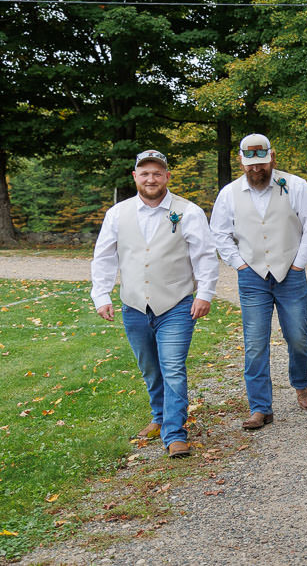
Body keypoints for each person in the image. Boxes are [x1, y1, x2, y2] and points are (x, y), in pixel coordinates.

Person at [90, 150, 219, 458]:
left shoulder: (188, 211)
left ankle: (175, 434)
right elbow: (105, 256)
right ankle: (159, 417)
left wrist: (205, 294)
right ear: (135, 177)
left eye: (157, 173)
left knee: (173, 367)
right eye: (144, 173)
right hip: (133, 305)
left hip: (175, 304)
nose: (151, 179)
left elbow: (204, 255)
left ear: (167, 177)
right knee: (150, 368)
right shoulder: (118, 214)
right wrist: (101, 295)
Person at [211, 133, 307, 430]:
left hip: (291, 273)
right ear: (241, 161)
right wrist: (240, 264)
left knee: (298, 337)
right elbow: (220, 233)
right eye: (250, 165)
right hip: (252, 278)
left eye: (262, 163)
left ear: (272, 157)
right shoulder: (229, 193)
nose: (256, 170)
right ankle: (261, 407)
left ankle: (301, 383)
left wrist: (299, 264)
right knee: (255, 343)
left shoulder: (296, 186)